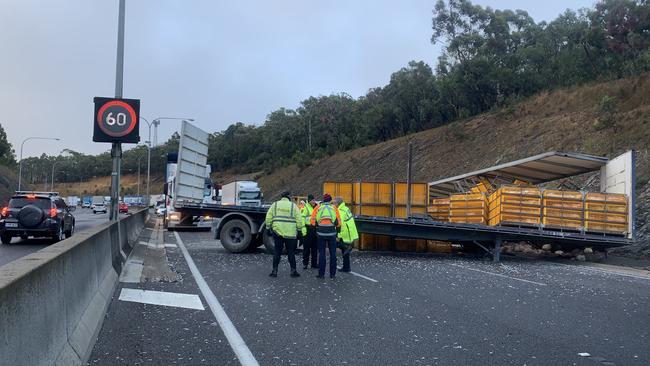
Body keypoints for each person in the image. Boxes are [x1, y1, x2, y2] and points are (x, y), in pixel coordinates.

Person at [265, 191, 305, 278]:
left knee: (277, 251)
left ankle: (274, 271)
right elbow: (299, 219)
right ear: (288, 198)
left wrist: (268, 228)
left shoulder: (275, 205)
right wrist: (299, 231)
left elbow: (268, 217)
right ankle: (293, 271)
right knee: (291, 252)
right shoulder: (293, 206)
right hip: (290, 233)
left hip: (277, 232)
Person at [310, 193, 341, 279]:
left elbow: (312, 221)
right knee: (333, 254)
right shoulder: (334, 208)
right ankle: (332, 274)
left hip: (321, 233)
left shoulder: (318, 207)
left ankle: (321, 274)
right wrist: (337, 232)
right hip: (332, 233)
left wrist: (316, 226)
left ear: (323, 200)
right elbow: (339, 223)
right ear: (330, 200)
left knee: (322, 253)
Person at [333, 196, 358, 273]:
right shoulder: (345, 208)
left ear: (338, 203)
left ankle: (342, 267)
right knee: (345, 250)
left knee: (336, 246)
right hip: (349, 233)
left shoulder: (341, 211)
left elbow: (341, 225)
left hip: (346, 234)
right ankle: (346, 268)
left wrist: (338, 236)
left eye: (334, 203)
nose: (333, 204)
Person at [300, 194, 318, 269]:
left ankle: (314, 264)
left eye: (314, 200)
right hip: (307, 229)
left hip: (315, 229)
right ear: (309, 201)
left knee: (315, 248)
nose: (313, 201)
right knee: (306, 248)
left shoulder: (317, 207)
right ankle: (305, 264)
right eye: (312, 200)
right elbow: (302, 218)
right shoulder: (306, 207)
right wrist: (303, 228)